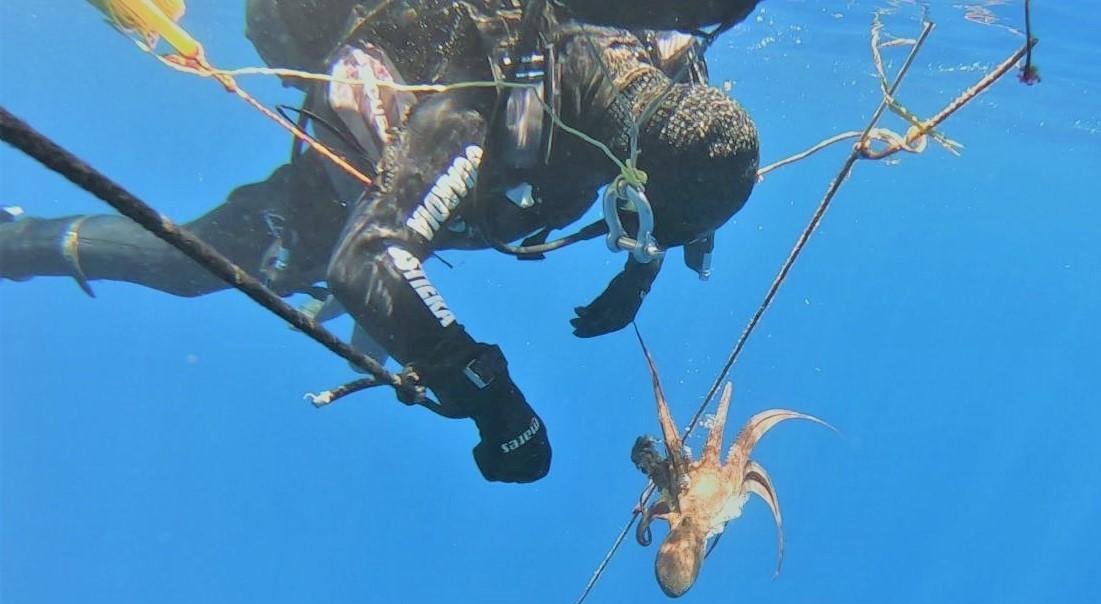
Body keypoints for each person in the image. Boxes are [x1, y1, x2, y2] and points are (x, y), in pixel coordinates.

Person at [0, 0, 761, 484]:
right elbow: (367, 262)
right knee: (194, 263)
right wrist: (498, 405)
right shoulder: (491, 106)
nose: (632, 238)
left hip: (476, 184)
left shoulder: (671, 63)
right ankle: (19, 243)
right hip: (381, 151)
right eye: (633, 223)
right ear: (628, 178)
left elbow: (683, 172)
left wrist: (640, 273)